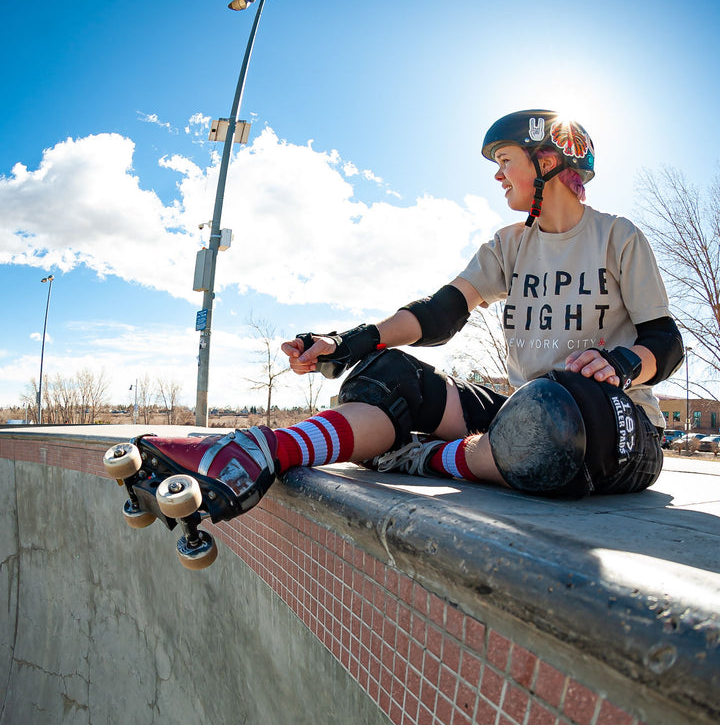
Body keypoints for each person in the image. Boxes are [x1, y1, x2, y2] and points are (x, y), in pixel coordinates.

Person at [152, 109, 685, 512]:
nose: (498, 176)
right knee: (389, 376)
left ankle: (427, 458)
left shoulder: (617, 236)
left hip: (614, 421)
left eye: (505, 162)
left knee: (548, 416)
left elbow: (666, 339)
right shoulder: (508, 245)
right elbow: (439, 312)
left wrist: (623, 363)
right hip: (521, 411)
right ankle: (262, 452)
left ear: (547, 161)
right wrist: (349, 342)